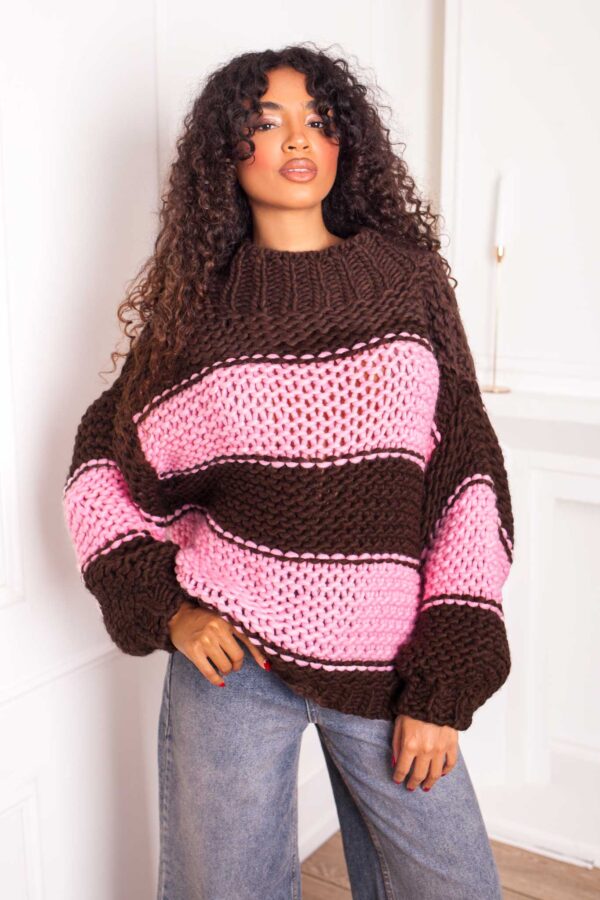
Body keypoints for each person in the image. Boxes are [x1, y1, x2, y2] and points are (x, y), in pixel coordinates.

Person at [62, 43, 514, 900]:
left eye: (319, 119)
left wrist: (446, 678)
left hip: (392, 665)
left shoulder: (408, 283)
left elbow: (468, 481)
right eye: (265, 123)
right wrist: (168, 608)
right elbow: (102, 466)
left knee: (454, 885)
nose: (298, 139)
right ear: (226, 155)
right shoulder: (199, 312)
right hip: (232, 670)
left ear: (347, 142)